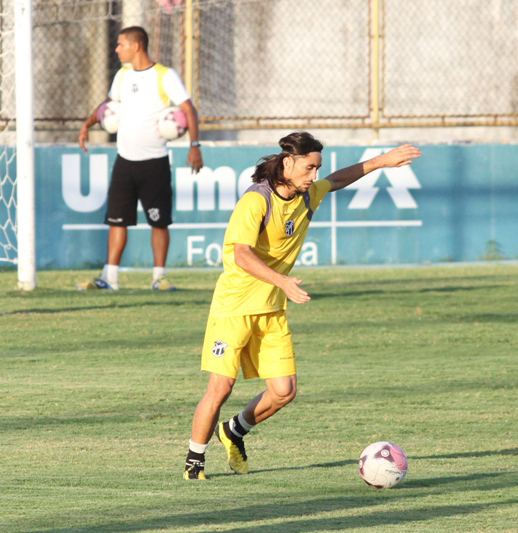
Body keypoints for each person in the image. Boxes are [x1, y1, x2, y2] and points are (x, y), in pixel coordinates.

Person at [183, 132, 421, 480]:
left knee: (284, 391)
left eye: (317, 168)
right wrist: (281, 281)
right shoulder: (257, 200)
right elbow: (241, 254)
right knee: (220, 388)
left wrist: (382, 161)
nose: (314, 175)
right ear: (287, 163)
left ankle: (233, 431)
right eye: (309, 167)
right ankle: (194, 460)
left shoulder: (307, 195)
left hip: (271, 309)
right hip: (234, 308)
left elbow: (338, 179)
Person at [77, 26, 203, 291]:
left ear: (135, 46)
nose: (116, 49)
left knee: (159, 222)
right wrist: (87, 124)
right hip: (124, 162)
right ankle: (109, 277)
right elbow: (107, 106)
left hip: (154, 162)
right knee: (116, 220)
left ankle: (159, 278)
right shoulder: (122, 75)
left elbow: (188, 109)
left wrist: (194, 145)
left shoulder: (165, 75)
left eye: (120, 44)